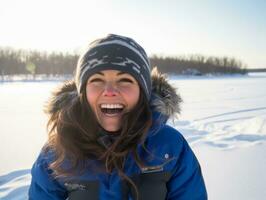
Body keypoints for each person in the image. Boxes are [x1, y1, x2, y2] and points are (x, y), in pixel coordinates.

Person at [28, 34, 207, 200]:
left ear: (142, 92)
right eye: (97, 80)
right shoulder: (56, 152)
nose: (110, 91)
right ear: (82, 92)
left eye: (125, 80)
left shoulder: (171, 146)